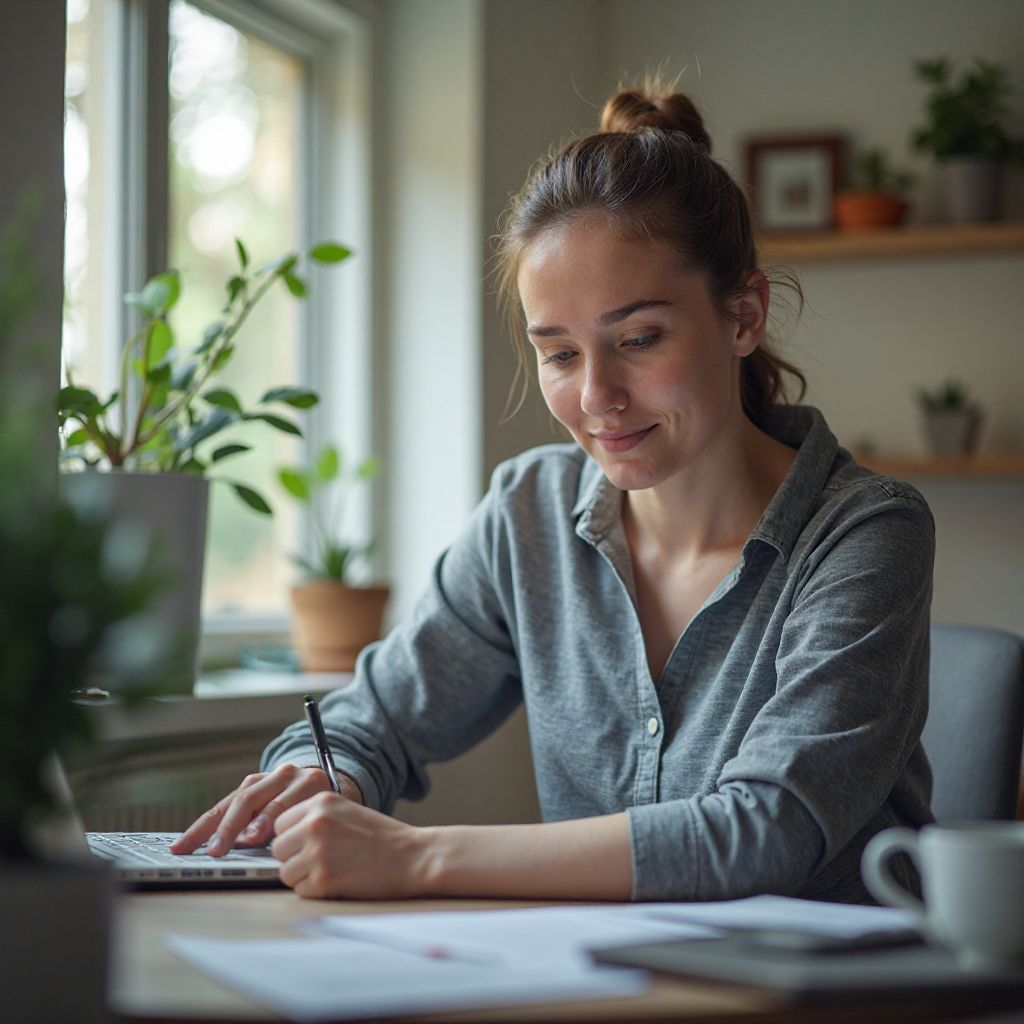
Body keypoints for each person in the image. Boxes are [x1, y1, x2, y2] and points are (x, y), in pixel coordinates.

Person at [172, 84, 935, 903]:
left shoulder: (865, 532)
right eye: (561, 354)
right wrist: (320, 779)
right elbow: (370, 721)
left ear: (744, 316)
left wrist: (418, 857)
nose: (598, 397)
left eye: (638, 339)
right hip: (602, 970)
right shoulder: (528, 513)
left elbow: (767, 829)